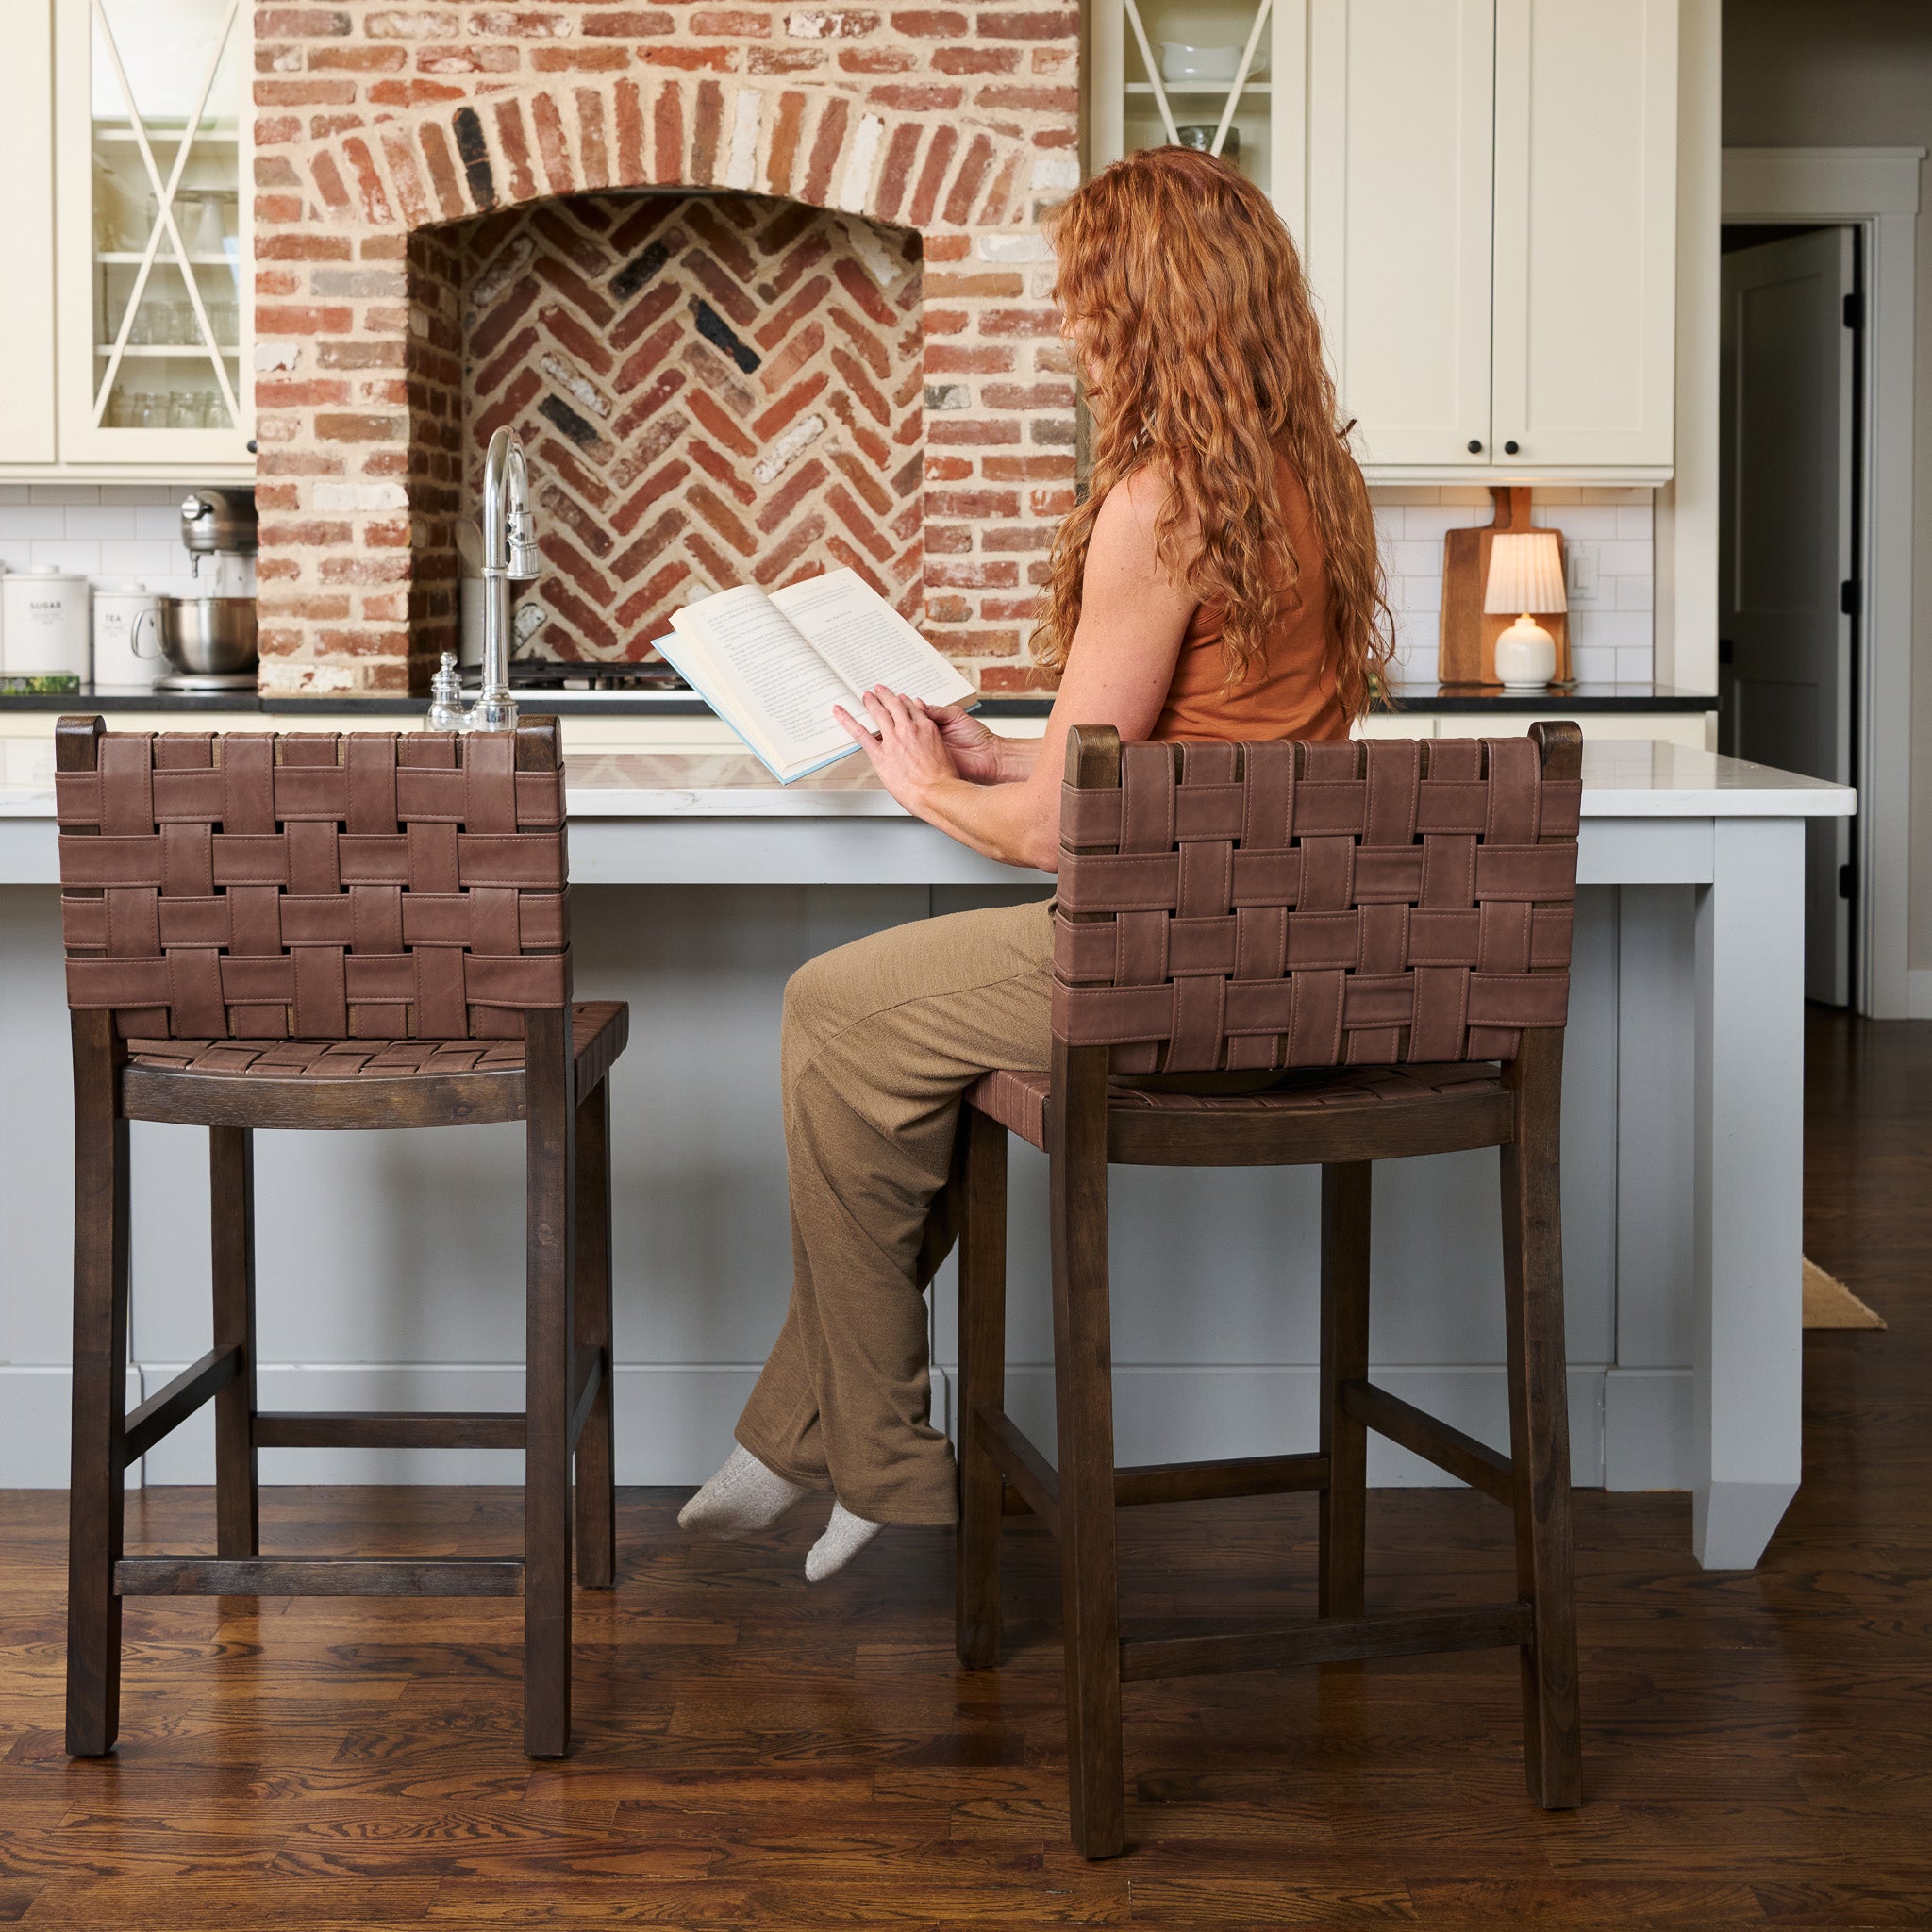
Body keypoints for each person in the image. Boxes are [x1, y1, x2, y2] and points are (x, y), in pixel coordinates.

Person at [678, 144, 1395, 1581]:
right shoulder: (1309, 482)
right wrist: (1007, 751)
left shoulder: (1162, 501)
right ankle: (792, 1431)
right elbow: (1165, 751)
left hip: (1167, 967)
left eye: (1081, 297)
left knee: (834, 1013)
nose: (1066, 329)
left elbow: (1066, 836)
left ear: (1143, 306)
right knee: (902, 1063)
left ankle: (883, 1461)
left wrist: (926, 785)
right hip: (1293, 956)